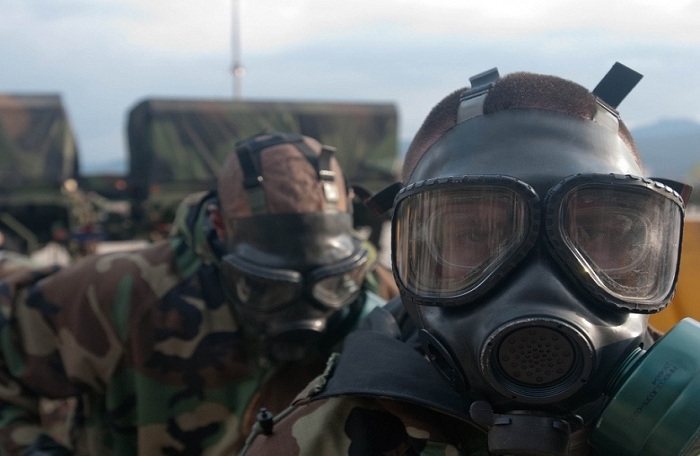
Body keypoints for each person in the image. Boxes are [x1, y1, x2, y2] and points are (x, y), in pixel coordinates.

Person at [241, 64, 700, 455]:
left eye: (597, 231)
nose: (542, 282)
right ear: (410, 255)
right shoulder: (319, 439)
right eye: (474, 233)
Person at [0, 132, 384, 455]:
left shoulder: (376, 295)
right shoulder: (123, 293)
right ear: (219, 225)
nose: (304, 313)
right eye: (268, 284)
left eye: (329, 283)